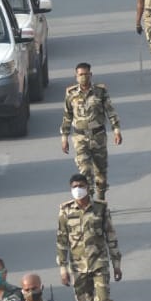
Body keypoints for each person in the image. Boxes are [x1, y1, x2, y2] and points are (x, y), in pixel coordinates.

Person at [56, 172, 122, 301]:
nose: (78, 189)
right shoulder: (65, 211)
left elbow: (111, 236)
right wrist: (63, 269)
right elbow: (61, 241)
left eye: (81, 186)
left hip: (99, 264)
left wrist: (116, 264)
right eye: (75, 186)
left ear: (88, 187)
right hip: (77, 268)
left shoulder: (100, 209)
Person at [60, 62, 123, 201]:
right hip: (80, 138)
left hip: (98, 136)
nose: (83, 77)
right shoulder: (71, 94)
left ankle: (101, 199)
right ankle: (89, 202)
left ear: (91, 75)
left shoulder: (100, 92)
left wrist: (116, 130)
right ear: (76, 76)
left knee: (101, 172)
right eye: (80, 75)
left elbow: (110, 111)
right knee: (85, 172)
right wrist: (64, 137)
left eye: (86, 74)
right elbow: (67, 116)